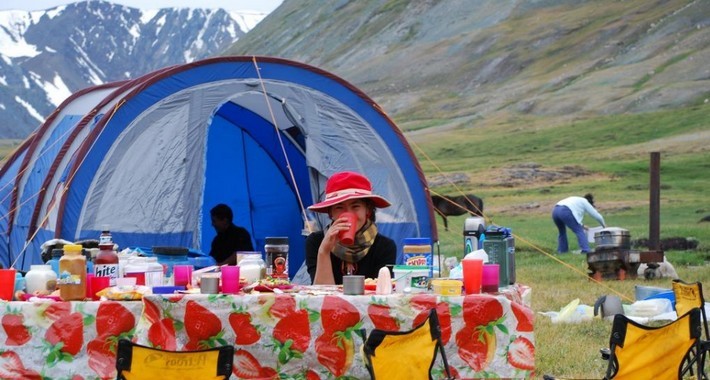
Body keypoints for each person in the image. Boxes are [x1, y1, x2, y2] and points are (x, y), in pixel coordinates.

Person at [305, 171, 396, 285]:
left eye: (355, 206)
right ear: (330, 213)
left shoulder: (384, 246)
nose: (348, 214)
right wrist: (324, 250)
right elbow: (322, 294)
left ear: (367, 210)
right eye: (339, 207)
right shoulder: (316, 242)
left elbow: (383, 292)